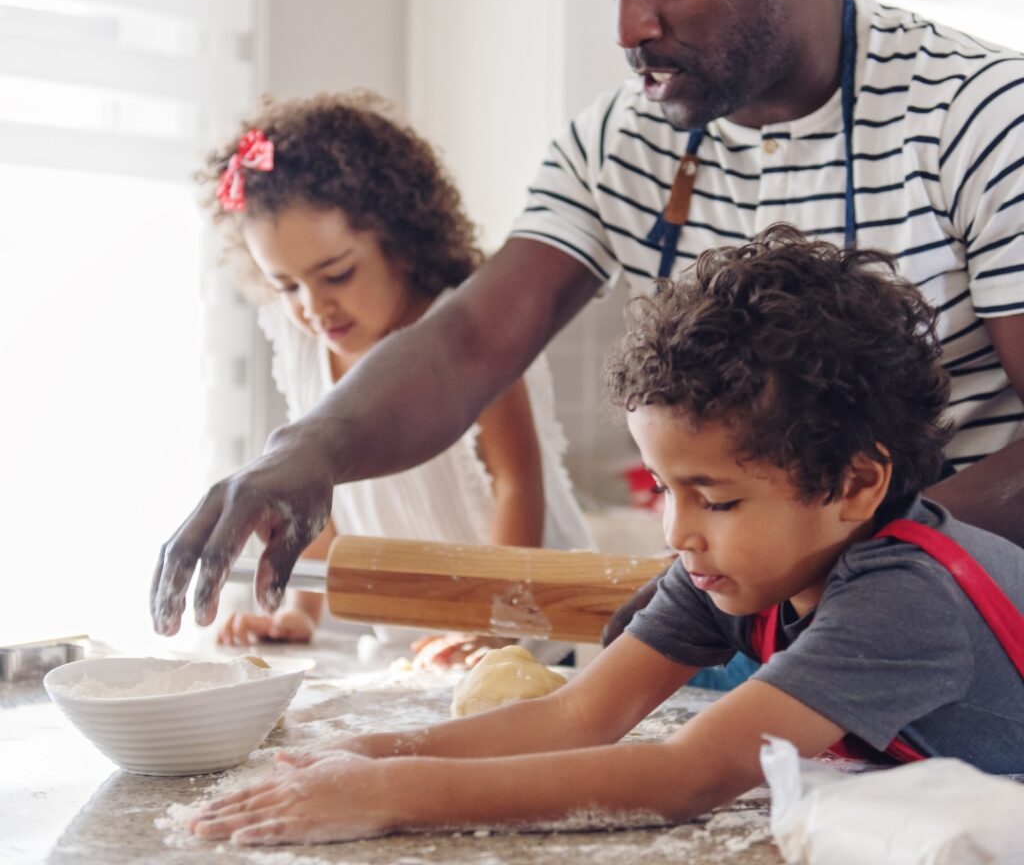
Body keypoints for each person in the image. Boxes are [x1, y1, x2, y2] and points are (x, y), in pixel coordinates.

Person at [151, 0, 1024, 638]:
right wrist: (306, 451)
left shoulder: (979, 120)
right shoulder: (622, 140)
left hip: (965, 623)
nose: (629, 25)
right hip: (757, 628)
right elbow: (464, 344)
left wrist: (853, 565)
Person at [186, 225, 1024, 847]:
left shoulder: (906, 602)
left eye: (716, 499)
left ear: (854, 484)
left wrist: (395, 792)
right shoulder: (728, 572)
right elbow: (580, 713)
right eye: (663, 488)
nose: (678, 532)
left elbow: (686, 775)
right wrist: (362, 756)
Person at [197, 91, 591, 665]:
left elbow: (517, 485)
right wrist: (298, 612)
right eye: (287, 286)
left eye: (337, 274)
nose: (314, 306)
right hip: (413, 639)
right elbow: (320, 500)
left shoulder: (467, 338)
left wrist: (495, 626)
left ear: (401, 242)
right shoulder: (306, 348)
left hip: (531, 633)